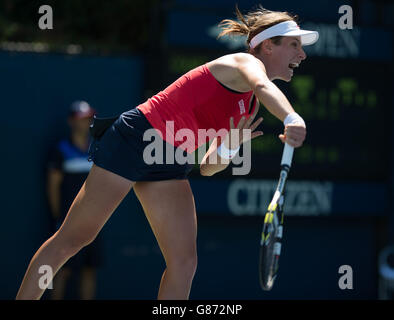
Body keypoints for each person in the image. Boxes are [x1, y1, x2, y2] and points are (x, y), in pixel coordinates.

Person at [16, 6, 318, 300]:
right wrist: (291, 117)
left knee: (184, 263)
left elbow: (209, 167)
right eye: (294, 45)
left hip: (171, 159)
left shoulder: (249, 104)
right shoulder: (245, 64)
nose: (302, 54)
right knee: (74, 239)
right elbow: (263, 85)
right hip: (137, 138)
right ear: (267, 46)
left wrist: (231, 143)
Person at [46, 101, 102, 299]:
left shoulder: (96, 149)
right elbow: (53, 186)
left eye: (88, 118)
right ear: (72, 122)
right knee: (62, 270)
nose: (86, 123)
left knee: (89, 269)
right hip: (66, 222)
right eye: (81, 119)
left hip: (93, 221)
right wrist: (59, 218)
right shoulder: (60, 150)